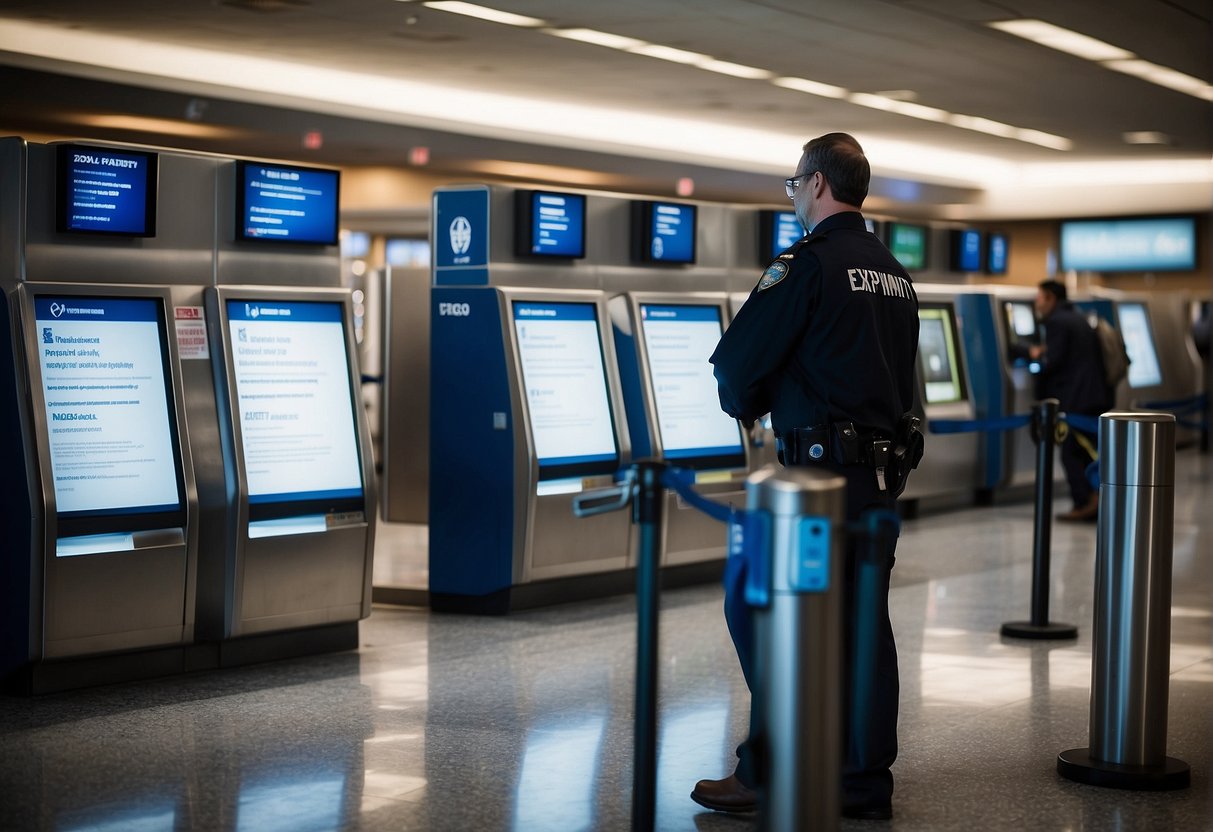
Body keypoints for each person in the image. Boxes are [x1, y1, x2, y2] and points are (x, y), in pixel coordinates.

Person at [692, 132, 919, 821]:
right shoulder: (892, 270)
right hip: (879, 482)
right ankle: (861, 782)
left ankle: (768, 768)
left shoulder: (807, 265)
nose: (792, 198)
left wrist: (748, 406)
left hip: (817, 483)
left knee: (760, 609)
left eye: (794, 186)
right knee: (863, 627)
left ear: (817, 184)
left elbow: (735, 364)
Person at [1027, 280, 1113, 522]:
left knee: (1071, 452)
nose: (1037, 303)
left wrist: (1035, 357)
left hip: (1076, 397)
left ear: (1051, 299)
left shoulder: (1056, 322)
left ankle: (1084, 502)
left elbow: (1053, 362)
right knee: (1085, 450)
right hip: (1093, 393)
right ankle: (1095, 499)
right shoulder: (1076, 317)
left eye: (1040, 298)